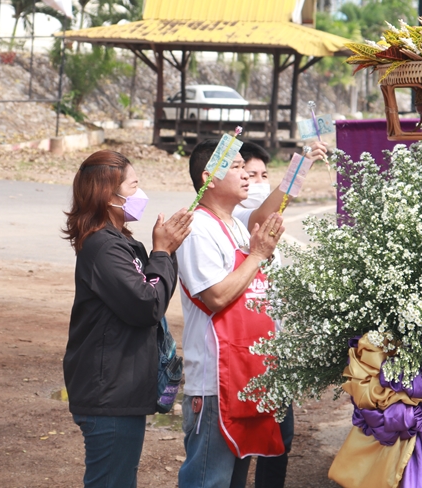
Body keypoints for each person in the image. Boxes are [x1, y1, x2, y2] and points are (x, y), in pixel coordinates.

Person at [62, 150, 193, 488]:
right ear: (109, 196)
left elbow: (148, 292)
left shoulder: (120, 243)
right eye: (134, 186)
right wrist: (162, 252)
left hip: (119, 389)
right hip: (109, 393)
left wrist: (164, 252)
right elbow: (146, 305)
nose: (141, 194)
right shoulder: (104, 248)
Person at [177, 140, 285, 488]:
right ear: (209, 177)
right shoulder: (197, 228)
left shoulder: (238, 227)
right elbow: (217, 295)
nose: (246, 174)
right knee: (209, 479)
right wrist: (257, 255)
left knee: (234, 480)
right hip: (214, 382)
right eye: (237, 167)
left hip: (244, 375)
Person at [232, 140, 328, 488]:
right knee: (242, 442)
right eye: (247, 174)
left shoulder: (270, 227)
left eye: (262, 175)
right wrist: (299, 166)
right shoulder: (243, 220)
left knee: (280, 437)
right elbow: (263, 211)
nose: (255, 182)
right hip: (246, 352)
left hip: (274, 349)